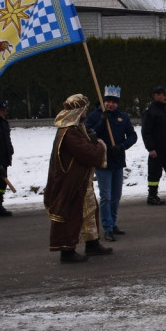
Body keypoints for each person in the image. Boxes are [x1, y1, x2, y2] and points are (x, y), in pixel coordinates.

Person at [44, 94, 112, 261]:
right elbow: (87, 153)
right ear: (77, 112)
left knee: (89, 209)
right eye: (84, 109)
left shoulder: (76, 128)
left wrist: (91, 138)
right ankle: (67, 251)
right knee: (71, 214)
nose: (86, 112)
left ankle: (92, 244)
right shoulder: (69, 132)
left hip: (81, 180)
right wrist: (99, 145)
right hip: (71, 183)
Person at [87, 85, 138, 241]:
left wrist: (122, 146)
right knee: (106, 197)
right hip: (102, 162)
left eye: (114, 102)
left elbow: (133, 136)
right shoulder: (95, 116)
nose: (110, 104)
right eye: (108, 101)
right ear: (104, 101)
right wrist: (101, 122)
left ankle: (113, 223)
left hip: (118, 161)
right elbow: (88, 136)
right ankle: (107, 227)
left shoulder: (123, 117)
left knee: (116, 196)